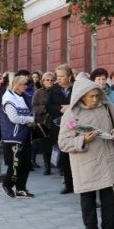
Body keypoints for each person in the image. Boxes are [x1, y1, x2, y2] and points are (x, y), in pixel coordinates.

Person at [58, 75, 114, 229]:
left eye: (97, 95)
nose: (95, 99)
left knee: (110, 200)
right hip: (86, 164)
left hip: (109, 160)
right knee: (88, 201)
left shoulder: (107, 106)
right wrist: (83, 140)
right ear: (81, 96)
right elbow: (63, 142)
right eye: (91, 96)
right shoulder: (72, 114)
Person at [0, 74, 36, 198]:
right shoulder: (8, 99)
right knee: (15, 164)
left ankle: (21, 189)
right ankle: (7, 184)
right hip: (13, 136)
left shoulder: (23, 97)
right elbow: (14, 118)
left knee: (26, 164)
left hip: (25, 134)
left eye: (26, 84)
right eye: (24, 84)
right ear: (17, 85)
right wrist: (30, 119)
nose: (26, 86)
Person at [46, 65, 76, 194]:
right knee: (64, 157)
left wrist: (70, 107)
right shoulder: (54, 89)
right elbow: (48, 106)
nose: (58, 79)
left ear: (69, 76)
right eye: (57, 76)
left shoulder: (76, 88)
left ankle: (79, 184)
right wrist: (60, 108)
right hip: (59, 127)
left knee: (76, 157)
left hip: (75, 126)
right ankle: (68, 185)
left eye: (62, 76)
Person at [32, 71, 56, 175]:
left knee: (58, 144)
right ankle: (47, 168)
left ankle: (61, 168)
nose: (50, 82)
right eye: (47, 80)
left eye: (52, 80)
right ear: (43, 81)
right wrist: (45, 108)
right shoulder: (39, 92)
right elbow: (34, 107)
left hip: (56, 121)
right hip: (43, 123)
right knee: (46, 146)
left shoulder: (57, 91)